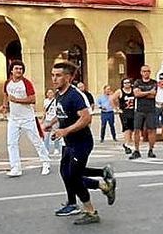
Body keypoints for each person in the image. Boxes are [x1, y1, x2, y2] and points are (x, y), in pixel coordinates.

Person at [50, 61, 116, 224]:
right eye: (53, 75)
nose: (54, 79)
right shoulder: (60, 94)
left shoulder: (75, 95)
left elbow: (86, 118)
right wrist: (51, 123)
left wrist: (65, 131)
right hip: (69, 142)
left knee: (74, 177)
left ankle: (91, 211)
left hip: (81, 142)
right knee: (66, 172)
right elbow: (63, 113)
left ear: (67, 77)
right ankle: (103, 181)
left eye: (58, 75)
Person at [1, 60, 51, 177]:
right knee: (11, 143)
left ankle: (45, 162)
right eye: (16, 68)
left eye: (21, 69)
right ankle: (16, 168)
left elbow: (32, 99)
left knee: (36, 141)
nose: (19, 71)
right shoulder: (7, 83)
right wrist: (5, 106)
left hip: (27, 118)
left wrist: (16, 100)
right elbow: (6, 95)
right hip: (13, 118)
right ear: (11, 70)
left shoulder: (26, 83)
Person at [131, 65, 158, 159]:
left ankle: (151, 149)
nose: (146, 73)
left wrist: (142, 93)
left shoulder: (154, 82)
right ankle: (136, 150)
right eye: (144, 71)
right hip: (139, 109)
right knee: (137, 130)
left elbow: (153, 95)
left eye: (148, 71)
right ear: (141, 72)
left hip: (151, 109)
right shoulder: (137, 82)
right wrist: (148, 92)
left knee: (151, 130)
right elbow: (136, 94)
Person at [112, 78, 135, 155]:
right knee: (126, 128)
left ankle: (130, 142)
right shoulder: (120, 91)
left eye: (128, 82)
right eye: (125, 83)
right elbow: (112, 99)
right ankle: (127, 143)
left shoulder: (133, 90)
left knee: (132, 128)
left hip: (133, 111)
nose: (127, 84)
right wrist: (116, 109)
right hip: (124, 112)